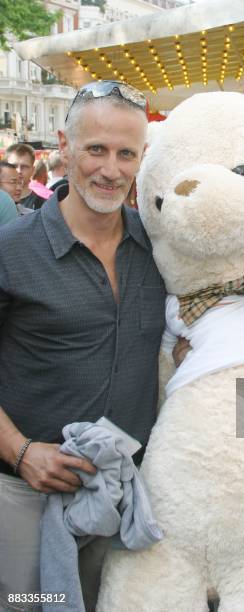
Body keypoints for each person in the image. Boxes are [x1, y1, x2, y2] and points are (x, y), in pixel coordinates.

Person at [0, 80, 166, 612]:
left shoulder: (159, 251)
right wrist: (20, 451)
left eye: (126, 153)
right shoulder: (12, 251)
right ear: (64, 146)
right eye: (96, 149)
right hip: (25, 497)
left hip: (123, 499)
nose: (110, 169)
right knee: (24, 603)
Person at [5, 143, 47, 210]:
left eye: (24, 167)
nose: (19, 171)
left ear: (33, 170)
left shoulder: (42, 203)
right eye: (14, 166)